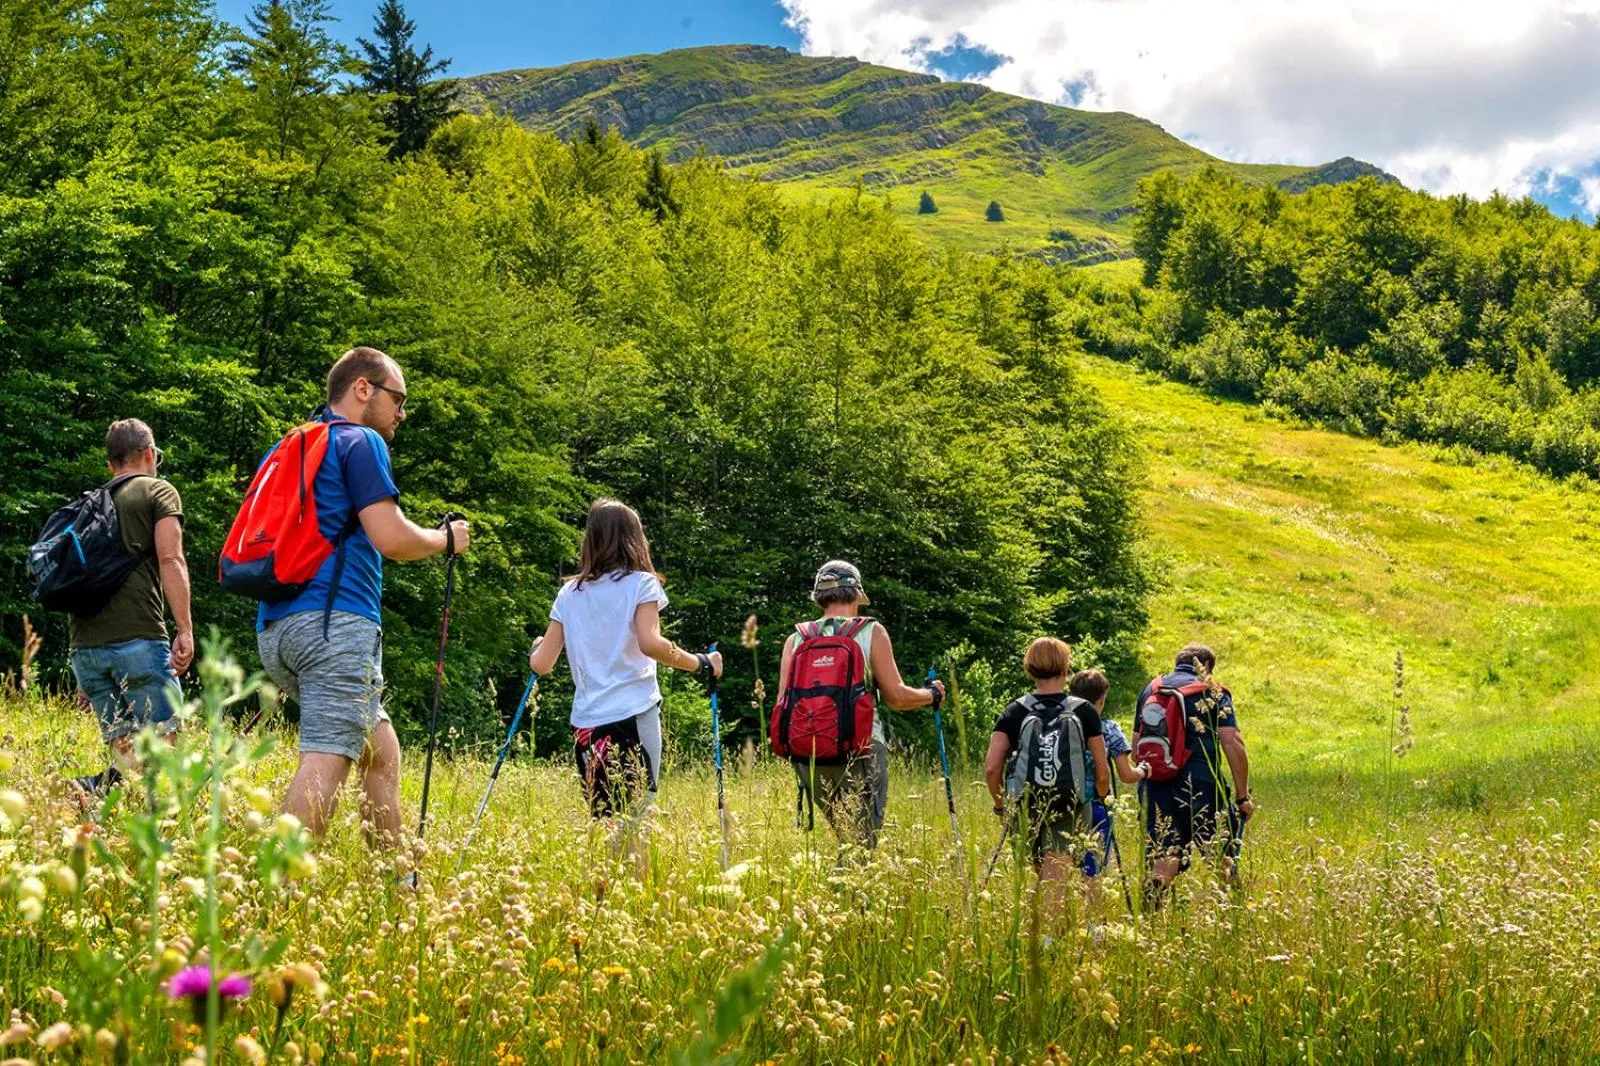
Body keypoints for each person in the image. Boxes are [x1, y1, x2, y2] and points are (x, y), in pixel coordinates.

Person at [256, 346, 470, 847]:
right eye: (398, 398)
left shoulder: (291, 445)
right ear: (361, 389)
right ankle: (272, 893)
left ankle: (393, 886)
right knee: (330, 753)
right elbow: (391, 538)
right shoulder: (360, 441)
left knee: (381, 752)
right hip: (334, 625)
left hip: (277, 624)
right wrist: (445, 540)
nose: (402, 412)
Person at [528, 498, 722, 862]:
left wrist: (535, 647)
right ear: (633, 539)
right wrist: (700, 663)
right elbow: (650, 643)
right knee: (635, 820)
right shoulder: (641, 584)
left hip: (585, 725)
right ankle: (634, 903)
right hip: (633, 715)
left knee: (603, 821)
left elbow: (541, 664)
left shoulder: (569, 593)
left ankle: (604, 901)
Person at [771, 560, 943, 853]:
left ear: (819, 597)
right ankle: (847, 898)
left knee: (848, 839)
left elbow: (781, 704)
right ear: (855, 594)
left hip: (809, 757)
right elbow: (897, 697)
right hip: (861, 750)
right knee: (861, 846)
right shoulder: (870, 631)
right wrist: (931, 695)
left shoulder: (797, 638)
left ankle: (841, 896)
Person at [68, 419, 193, 795]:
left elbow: (77, 582)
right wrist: (184, 628)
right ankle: (156, 836)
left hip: (86, 651)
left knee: (130, 755)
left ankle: (91, 794)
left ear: (111, 464)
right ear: (149, 454)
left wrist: (82, 674)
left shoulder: (87, 506)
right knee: (166, 743)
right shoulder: (158, 491)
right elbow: (171, 560)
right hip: (138, 641)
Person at [984, 639, 1110, 914]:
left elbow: (992, 768)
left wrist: (1001, 804)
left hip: (1025, 803)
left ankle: (1043, 929)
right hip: (1071, 801)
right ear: (1066, 668)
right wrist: (1101, 796)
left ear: (1029, 669)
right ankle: (1047, 939)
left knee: (1044, 870)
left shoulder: (1014, 710)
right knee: (1056, 869)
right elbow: (1102, 768)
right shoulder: (1084, 710)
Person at [1136, 644, 1254, 908]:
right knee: (1220, 857)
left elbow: (1137, 745)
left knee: (1164, 858)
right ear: (1207, 667)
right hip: (1202, 784)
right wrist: (1242, 795)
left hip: (1155, 783)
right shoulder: (1213, 690)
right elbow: (1232, 741)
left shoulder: (1151, 689)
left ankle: (1150, 918)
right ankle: (1233, 917)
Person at [1068, 669, 1146, 881]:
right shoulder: (1108, 729)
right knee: (1093, 869)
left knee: (1061, 867)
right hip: (1096, 804)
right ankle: (1092, 913)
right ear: (1102, 700)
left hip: (1062, 803)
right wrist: (1145, 769)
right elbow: (1126, 774)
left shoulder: (1061, 727)